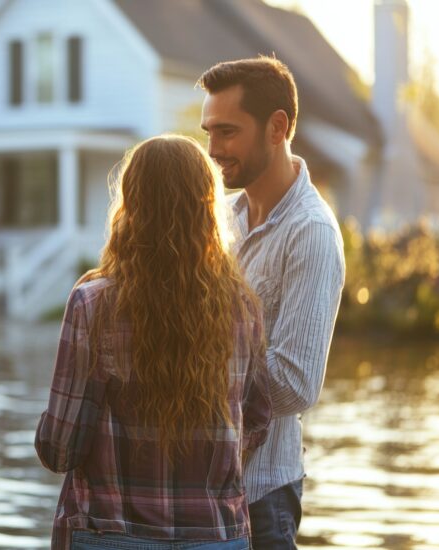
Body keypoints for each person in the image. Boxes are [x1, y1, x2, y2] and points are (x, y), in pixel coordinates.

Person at [35, 135, 272, 550]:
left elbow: (59, 451)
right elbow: (256, 422)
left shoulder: (93, 304)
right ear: (207, 210)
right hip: (216, 537)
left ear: (130, 206)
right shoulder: (241, 308)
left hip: (111, 535)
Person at [198, 56, 346, 549]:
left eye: (227, 132)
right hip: (201, 489)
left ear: (277, 127)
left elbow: (295, 383)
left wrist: (188, 371)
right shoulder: (223, 219)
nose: (212, 150)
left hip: (261, 499)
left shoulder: (312, 233)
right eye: (208, 132)